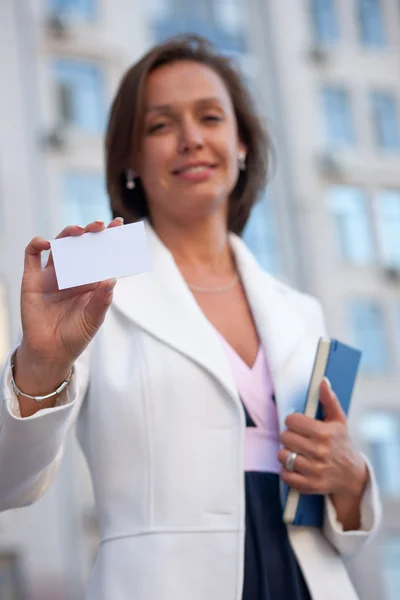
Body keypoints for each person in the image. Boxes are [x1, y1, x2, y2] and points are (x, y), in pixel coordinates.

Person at [0, 35, 381, 600]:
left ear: (242, 142)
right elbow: (10, 480)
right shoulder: (86, 283)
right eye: (160, 126)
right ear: (129, 159)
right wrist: (38, 367)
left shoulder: (299, 310)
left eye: (210, 117)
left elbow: (338, 525)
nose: (192, 140)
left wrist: (353, 484)